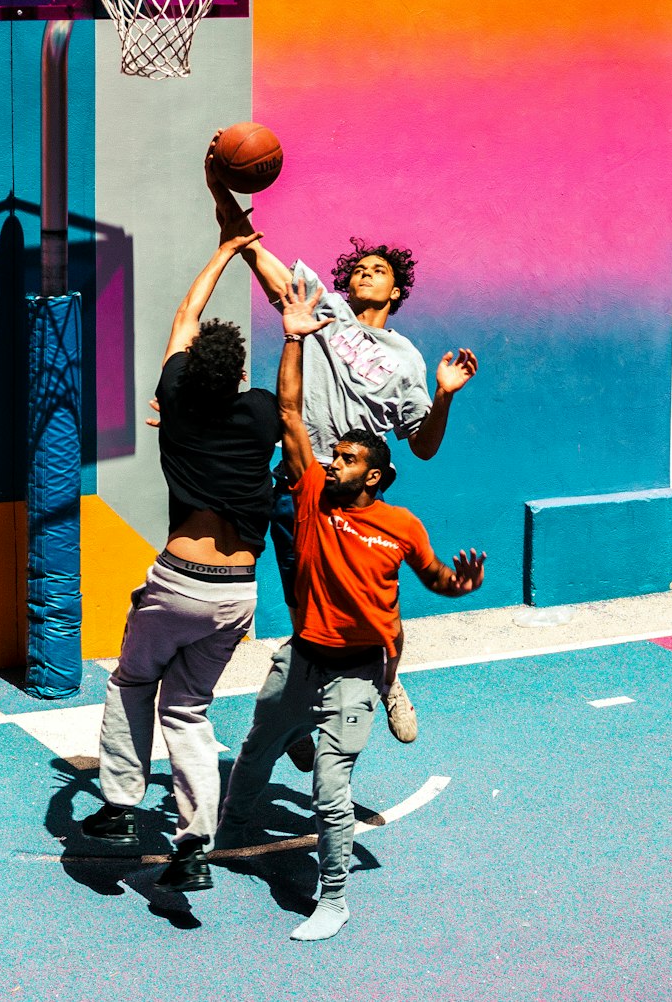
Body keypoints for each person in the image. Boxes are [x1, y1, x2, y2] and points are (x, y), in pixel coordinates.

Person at [215, 280, 485, 940]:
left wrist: (462, 586)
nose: (334, 460)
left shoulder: (401, 524)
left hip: (358, 671)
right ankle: (231, 831)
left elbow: (437, 582)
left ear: (375, 475)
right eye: (334, 454)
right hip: (302, 658)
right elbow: (286, 411)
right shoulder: (309, 494)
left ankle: (331, 897)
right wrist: (293, 335)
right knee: (256, 749)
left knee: (330, 789)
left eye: (348, 457)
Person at [205, 146, 478, 747]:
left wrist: (444, 393)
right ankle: (300, 714)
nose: (363, 273)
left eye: (378, 270)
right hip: (301, 482)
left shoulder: (405, 359)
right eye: (358, 267)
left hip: (357, 497)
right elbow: (247, 244)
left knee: (374, 605)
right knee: (309, 615)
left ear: (397, 290)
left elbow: (423, 447)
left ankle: (389, 680)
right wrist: (220, 186)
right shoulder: (318, 308)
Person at [81, 224, 280, 894]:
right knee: (189, 710)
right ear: (241, 375)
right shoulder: (261, 415)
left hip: (179, 583)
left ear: (189, 374)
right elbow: (288, 379)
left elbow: (184, 318)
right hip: (239, 593)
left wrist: (224, 250)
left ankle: (119, 806)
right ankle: (194, 846)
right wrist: (299, 330)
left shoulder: (174, 400)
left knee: (133, 683)